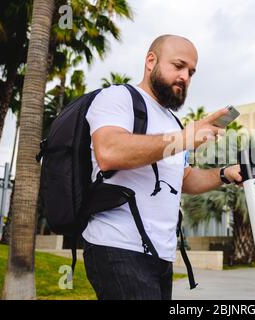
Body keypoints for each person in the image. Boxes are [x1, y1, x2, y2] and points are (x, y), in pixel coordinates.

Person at [82, 34, 243, 300]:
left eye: (191, 72)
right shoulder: (118, 97)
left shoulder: (173, 122)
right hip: (117, 245)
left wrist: (225, 174)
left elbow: (184, 180)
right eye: (178, 66)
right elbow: (109, 152)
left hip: (161, 254)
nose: (185, 77)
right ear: (150, 61)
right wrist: (185, 139)